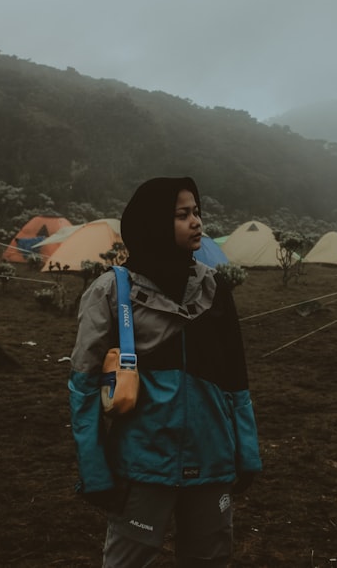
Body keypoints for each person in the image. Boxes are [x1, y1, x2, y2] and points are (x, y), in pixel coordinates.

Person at [68, 177, 262, 567]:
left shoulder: (215, 289)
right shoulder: (110, 292)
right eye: (182, 215)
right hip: (143, 466)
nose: (197, 223)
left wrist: (247, 451)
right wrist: (93, 467)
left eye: (197, 213)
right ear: (152, 222)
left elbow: (236, 381)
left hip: (212, 461)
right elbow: (85, 385)